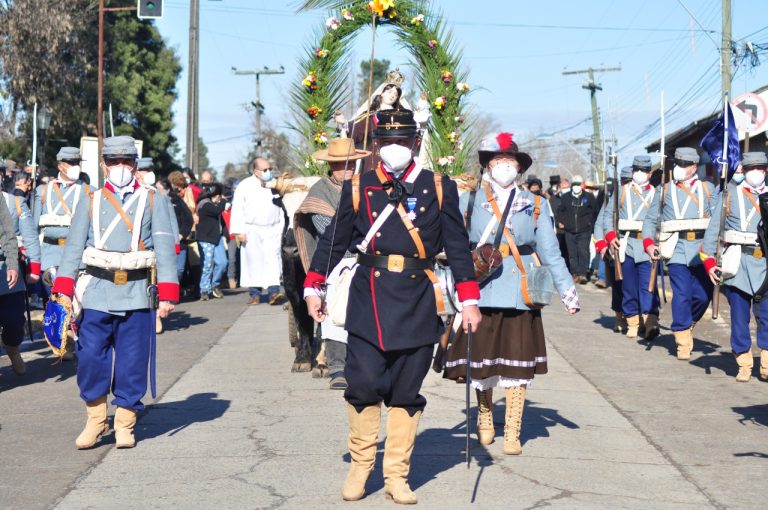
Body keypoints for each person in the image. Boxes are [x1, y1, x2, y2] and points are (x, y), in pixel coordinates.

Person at [303, 109, 481, 504]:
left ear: (416, 143)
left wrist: (469, 300)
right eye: (387, 142)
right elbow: (334, 241)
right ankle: (360, 466)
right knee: (363, 383)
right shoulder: (358, 186)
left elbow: (456, 245)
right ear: (377, 147)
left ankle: (396, 476)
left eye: (402, 141)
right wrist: (314, 285)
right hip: (369, 297)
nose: (394, 148)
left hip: (418, 299)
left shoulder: (438, 186)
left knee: (406, 389)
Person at [443, 132, 578, 456]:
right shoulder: (469, 202)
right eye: (498, 161)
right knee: (483, 361)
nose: (504, 167)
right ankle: (486, 414)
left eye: (510, 162)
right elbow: (455, 249)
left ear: (518, 168)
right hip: (482, 289)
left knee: (517, 365)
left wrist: (567, 288)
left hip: (521, 289)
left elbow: (549, 250)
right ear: (487, 166)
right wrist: (452, 288)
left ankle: (514, 430)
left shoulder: (535, 204)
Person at [50, 135, 178, 449]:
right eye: (114, 161)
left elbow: (163, 245)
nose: (120, 167)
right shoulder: (90, 199)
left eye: (126, 161)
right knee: (91, 357)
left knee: (132, 361)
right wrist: (62, 290)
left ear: (135, 164)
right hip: (96, 290)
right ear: (104, 164)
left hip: (136, 290)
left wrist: (168, 294)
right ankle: (95, 420)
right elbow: (74, 247)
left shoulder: (152, 198)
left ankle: (124, 423)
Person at [294, 138, 371, 390]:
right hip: (336, 262)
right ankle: (338, 367)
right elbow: (329, 231)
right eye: (340, 164)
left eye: (351, 163)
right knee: (336, 315)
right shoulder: (320, 191)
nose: (347, 168)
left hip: (368, 259)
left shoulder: (366, 186)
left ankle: (364, 364)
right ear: (331, 165)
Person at [702, 152, 768, 381]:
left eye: (760, 168)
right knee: (739, 317)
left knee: (767, 316)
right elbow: (712, 231)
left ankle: (767, 362)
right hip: (737, 263)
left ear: (766, 171)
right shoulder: (728, 195)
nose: (756, 172)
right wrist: (709, 262)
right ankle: (744, 362)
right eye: (751, 168)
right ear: (744, 170)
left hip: (765, 263)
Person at [643, 148, 714, 359]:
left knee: (703, 296)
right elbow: (650, 220)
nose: (679, 168)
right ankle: (682, 338)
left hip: (702, 250)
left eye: (684, 165)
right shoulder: (663, 190)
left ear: (694, 167)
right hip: (676, 249)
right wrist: (648, 244)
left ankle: (687, 323)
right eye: (677, 164)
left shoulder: (708, 189)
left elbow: (720, 219)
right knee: (681, 294)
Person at [596, 156, 661, 339]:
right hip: (627, 244)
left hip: (647, 246)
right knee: (629, 287)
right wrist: (609, 237)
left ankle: (650, 322)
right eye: (636, 169)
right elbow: (607, 217)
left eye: (643, 170)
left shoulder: (657, 193)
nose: (639, 173)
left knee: (648, 287)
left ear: (650, 173)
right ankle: (632, 320)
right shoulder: (621, 191)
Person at [230, 157, 285, 305]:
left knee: (273, 261)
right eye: (264, 170)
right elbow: (238, 209)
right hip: (252, 229)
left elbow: (281, 206)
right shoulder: (244, 186)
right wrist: (239, 231)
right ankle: (255, 294)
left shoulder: (275, 184)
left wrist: (282, 228)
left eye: (269, 169)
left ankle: (274, 293)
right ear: (255, 171)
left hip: (272, 229)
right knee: (254, 262)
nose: (268, 172)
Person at [34, 147, 91, 290]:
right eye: (71, 163)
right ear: (59, 165)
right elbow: (34, 227)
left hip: (78, 259)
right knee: (53, 306)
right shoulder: (43, 191)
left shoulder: (90, 191)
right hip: (49, 256)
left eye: (77, 162)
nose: (75, 166)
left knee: (76, 308)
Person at [136, 157, 180, 334]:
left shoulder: (159, 194)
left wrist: (174, 243)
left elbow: (171, 221)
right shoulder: (132, 195)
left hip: (156, 248)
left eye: (149, 170)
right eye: (144, 170)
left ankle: (154, 316)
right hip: (137, 249)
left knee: (153, 283)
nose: (148, 174)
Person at [1, 186, 41, 375]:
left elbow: (27, 236)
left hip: (8, 268)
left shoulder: (13, 202)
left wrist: (33, 268)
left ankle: (13, 347)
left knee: (14, 320)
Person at [594, 166, 633, 333]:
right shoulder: (612, 199)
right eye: (625, 182)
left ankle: (643, 317)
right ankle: (619, 317)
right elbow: (599, 224)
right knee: (618, 286)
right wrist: (602, 245)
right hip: (616, 247)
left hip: (637, 248)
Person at [557, 175, 597, 284]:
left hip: (585, 230)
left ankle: (583, 273)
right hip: (569, 230)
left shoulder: (589, 197)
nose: (576, 186)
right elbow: (559, 211)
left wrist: (590, 224)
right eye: (574, 184)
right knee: (572, 253)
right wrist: (561, 222)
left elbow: (594, 212)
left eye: (578, 184)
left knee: (583, 251)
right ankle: (574, 273)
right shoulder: (565, 197)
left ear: (582, 185)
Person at [196, 182, 228, 300]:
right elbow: (217, 211)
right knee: (207, 265)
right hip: (206, 239)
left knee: (223, 263)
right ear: (217, 194)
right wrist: (224, 201)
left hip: (217, 238)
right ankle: (204, 290)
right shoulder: (204, 204)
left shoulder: (214, 205)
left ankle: (215, 284)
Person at [164, 173, 195, 286]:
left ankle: (175, 289)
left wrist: (182, 234)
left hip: (179, 242)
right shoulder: (156, 201)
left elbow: (188, 219)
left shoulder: (177, 200)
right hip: (164, 242)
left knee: (180, 269)